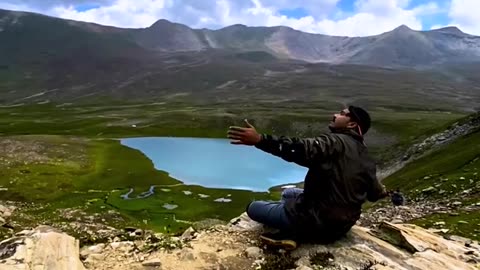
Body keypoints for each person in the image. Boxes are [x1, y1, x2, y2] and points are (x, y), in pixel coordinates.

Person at [227, 105, 389, 250]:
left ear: (352, 124)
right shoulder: (367, 157)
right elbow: (374, 193)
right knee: (288, 194)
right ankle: (292, 221)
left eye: (341, 114)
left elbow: (299, 149)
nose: (334, 115)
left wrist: (260, 140)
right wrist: (383, 191)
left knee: (253, 207)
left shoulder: (334, 142)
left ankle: (292, 232)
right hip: (341, 226)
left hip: (314, 221)